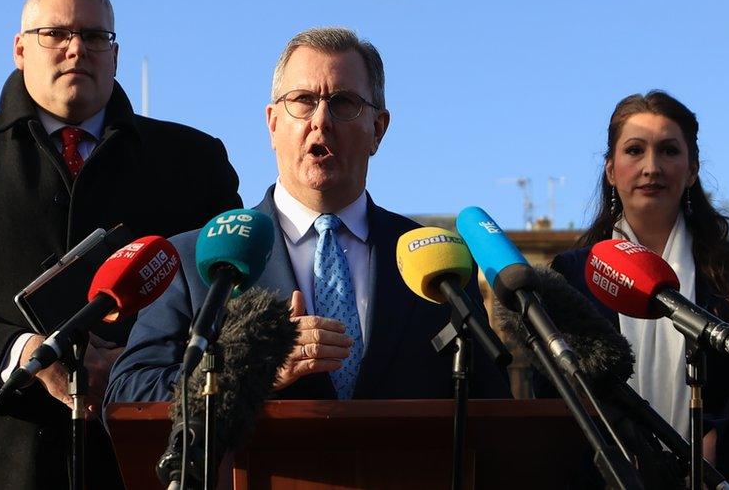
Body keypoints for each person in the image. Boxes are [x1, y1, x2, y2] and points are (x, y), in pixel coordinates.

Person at [0, 0, 241, 489]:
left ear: (114, 56)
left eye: (95, 37)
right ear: (20, 49)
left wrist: (143, 366)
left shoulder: (193, 162)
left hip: (147, 459)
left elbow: (230, 297)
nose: (76, 49)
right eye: (55, 34)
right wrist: (21, 355)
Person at [106, 27, 511, 406]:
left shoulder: (440, 267)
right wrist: (250, 373)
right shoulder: (192, 260)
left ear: (378, 129)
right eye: (302, 101)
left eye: (343, 103)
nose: (321, 120)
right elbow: (129, 392)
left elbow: (492, 407)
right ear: (272, 123)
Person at [548, 90, 729, 488]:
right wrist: (618, 450)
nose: (651, 167)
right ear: (610, 170)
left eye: (669, 151)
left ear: (692, 170)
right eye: (635, 150)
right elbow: (552, 391)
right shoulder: (570, 275)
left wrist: (714, 444)